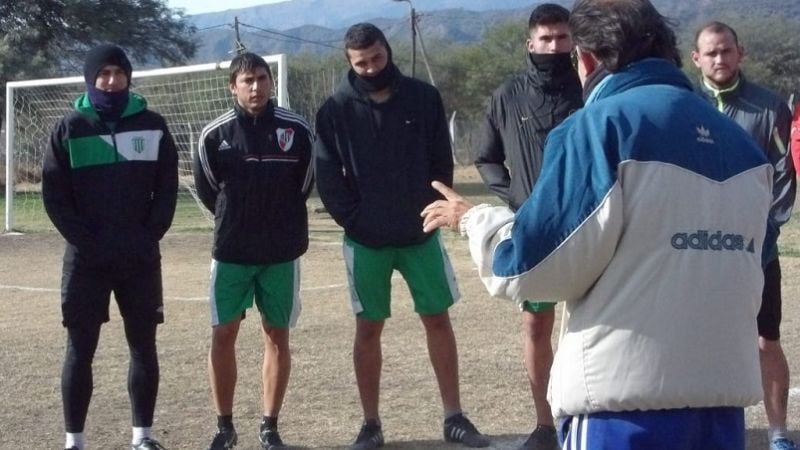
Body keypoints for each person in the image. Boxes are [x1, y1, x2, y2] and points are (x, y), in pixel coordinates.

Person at [421, 0, 776, 448]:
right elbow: (756, 257)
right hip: (721, 407)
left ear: (586, 59)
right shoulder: (741, 144)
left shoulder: (598, 126)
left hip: (623, 408)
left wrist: (474, 219)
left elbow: (530, 267)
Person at [314, 22, 489, 450]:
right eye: (361, 63)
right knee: (368, 327)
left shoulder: (423, 97)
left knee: (438, 320)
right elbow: (327, 176)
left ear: (387, 51)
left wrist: (433, 213)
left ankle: (454, 417)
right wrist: (355, 221)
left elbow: (439, 163)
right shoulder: (334, 109)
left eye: (376, 58)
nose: (371, 68)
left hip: (421, 234)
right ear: (349, 62)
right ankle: (371, 424)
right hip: (366, 241)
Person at [42, 44, 178, 450]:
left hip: (139, 258)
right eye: (103, 73)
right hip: (86, 261)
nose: (112, 80)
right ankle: (75, 441)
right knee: (80, 350)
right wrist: (87, 242)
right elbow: (55, 196)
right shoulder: (69, 128)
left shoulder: (153, 125)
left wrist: (147, 236)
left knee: (143, 347)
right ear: (90, 78)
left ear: (129, 77)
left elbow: (167, 189)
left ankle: (143, 437)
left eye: (119, 72)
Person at [473, 4, 582, 449]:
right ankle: (544, 425)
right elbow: (486, 158)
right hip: (534, 228)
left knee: (591, 321)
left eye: (562, 38)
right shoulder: (507, 95)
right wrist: (519, 201)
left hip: (589, 222)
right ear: (529, 43)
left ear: (573, 42)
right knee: (536, 326)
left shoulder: (590, 89)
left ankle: (589, 416)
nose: (553, 46)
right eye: (546, 39)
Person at [193, 52, 314, 450]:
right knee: (223, 333)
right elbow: (211, 191)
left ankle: (270, 427)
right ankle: (224, 427)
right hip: (231, 251)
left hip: (281, 251)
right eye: (247, 81)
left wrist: (276, 220)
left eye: (262, 78)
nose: (256, 87)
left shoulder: (297, 130)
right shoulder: (215, 134)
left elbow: (304, 183)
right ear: (233, 86)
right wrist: (238, 219)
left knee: (276, 335)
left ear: (271, 82)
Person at [692, 22, 797, 450]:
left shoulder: (769, 107)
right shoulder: (684, 104)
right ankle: (698, 427)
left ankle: (777, 433)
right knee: (695, 335)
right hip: (694, 248)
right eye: (711, 53)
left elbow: (784, 176)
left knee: (765, 337)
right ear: (695, 58)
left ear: (741, 52)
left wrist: (763, 231)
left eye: (727, 51)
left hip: (757, 249)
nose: (720, 59)